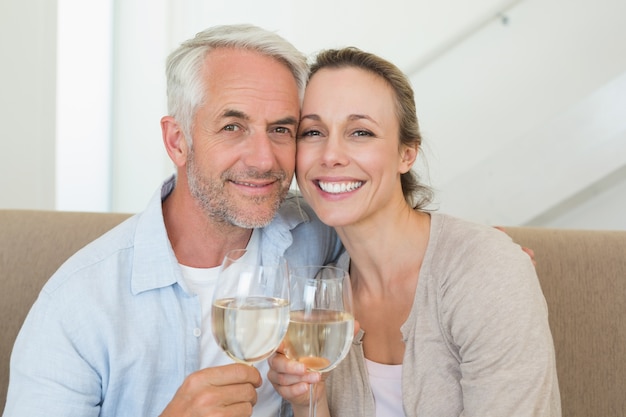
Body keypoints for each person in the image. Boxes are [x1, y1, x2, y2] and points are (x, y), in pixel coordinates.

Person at [3, 24, 340, 417]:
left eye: (281, 129)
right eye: (232, 127)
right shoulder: (78, 303)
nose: (264, 160)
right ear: (177, 141)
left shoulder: (322, 233)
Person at [267, 47, 561, 416]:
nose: (331, 155)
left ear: (407, 154)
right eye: (313, 132)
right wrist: (310, 401)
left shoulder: (485, 272)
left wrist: (493, 261)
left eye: (360, 132)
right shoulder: (323, 295)